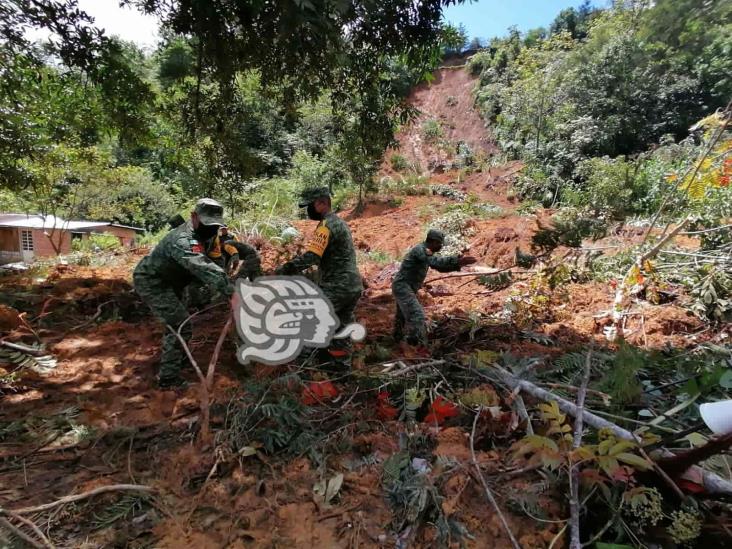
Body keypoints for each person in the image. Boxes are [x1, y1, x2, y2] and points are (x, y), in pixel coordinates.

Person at [133, 198, 233, 388]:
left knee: (180, 322)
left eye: (215, 225)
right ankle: (168, 380)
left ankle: (177, 358)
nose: (211, 229)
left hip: (176, 281)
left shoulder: (209, 235)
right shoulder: (182, 240)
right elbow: (203, 268)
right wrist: (232, 292)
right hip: (153, 281)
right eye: (207, 224)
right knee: (180, 324)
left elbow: (215, 262)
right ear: (194, 217)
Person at [275, 187, 363, 370]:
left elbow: (311, 257)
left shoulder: (325, 226)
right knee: (341, 330)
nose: (308, 210)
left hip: (336, 286)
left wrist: (284, 269)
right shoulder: (340, 223)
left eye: (310, 206)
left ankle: (303, 374)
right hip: (352, 286)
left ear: (322, 203)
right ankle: (341, 373)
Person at [392, 229, 476, 349]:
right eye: (439, 244)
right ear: (433, 242)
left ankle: (396, 342)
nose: (441, 247)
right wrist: (456, 261)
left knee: (402, 316)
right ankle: (417, 346)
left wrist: (458, 264)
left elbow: (440, 268)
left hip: (405, 286)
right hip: (403, 286)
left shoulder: (426, 251)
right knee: (417, 315)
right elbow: (434, 262)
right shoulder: (420, 250)